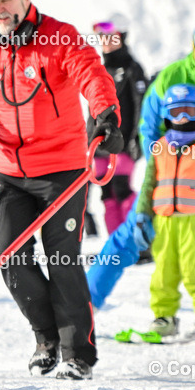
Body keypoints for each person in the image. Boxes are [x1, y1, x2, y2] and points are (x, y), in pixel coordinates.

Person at [0, 0, 122, 381]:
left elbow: (93, 77)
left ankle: (77, 352)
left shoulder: (60, 38)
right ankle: (46, 338)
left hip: (62, 171)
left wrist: (106, 117)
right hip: (8, 171)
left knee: (62, 260)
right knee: (11, 257)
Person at [88, 17, 195, 307]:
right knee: (129, 238)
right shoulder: (172, 77)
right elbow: (148, 129)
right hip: (171, 178)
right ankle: (80, 309)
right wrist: (167, 171)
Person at [134, 85, 195, 338]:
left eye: (189, 111)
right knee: (164, 270)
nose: (182, 117)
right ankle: (164, 316)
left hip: (194, 220)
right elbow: (148, 183)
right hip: (163, 220)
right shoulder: (160, 146)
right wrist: (142, 216)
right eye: (176, 111)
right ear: (167, 115)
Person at [87, 17, 148, 236]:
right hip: (99, 145)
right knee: (107, 194)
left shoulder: (132, 68)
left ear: (122, 37)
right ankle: (118, 243)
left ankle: (137, 240)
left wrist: (136, 139)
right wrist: (89, 141)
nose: (105, 41)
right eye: (102, 37)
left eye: (111, 36)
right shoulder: (100, 68)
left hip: (124, 143)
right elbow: (92, 110)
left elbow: (141, 104)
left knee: (122, 189)